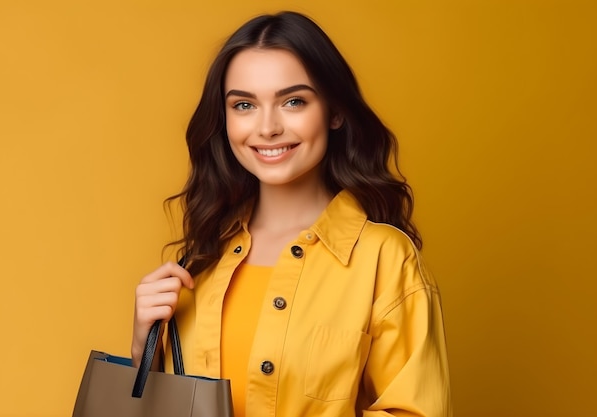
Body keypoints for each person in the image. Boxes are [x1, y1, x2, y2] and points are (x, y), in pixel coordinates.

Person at [132, 10, 451, 417]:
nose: (267, 128)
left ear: (334, 111)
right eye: (244, 105)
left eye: (293, 101)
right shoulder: (200, 263)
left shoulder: (385, 259)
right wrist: (145, 348)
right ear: (224, 119)